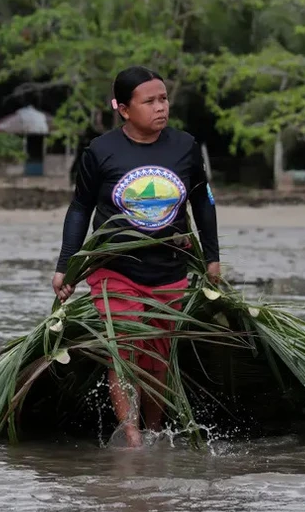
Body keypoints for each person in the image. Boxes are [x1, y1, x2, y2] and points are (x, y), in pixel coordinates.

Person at [51, 65, 221, 448]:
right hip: (116, 269)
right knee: (125, 348)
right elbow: (79, 208)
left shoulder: (185, 146)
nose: (161, 107)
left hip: (170, 269)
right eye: (150, 101)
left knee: (158, 357)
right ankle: (132, 436)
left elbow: (202, 201)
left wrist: (212, 257)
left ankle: (155, 429)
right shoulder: (101, 151)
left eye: (163, 99)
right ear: (124, 109)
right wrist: (66, 265)